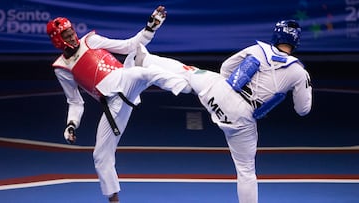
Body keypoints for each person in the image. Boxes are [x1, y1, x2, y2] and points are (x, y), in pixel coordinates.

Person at [135, 19, 312, 203]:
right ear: (296, 42)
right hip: (242, 117)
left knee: (188, 73)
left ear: (276, 34)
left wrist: (231, 88)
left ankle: (145, 61)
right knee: (246, 171)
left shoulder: (258, 49)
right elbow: (303, 109)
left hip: (220, 92)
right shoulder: (299, 72)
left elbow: (226, 68)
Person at [46, 6, 192, 203]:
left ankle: (189, 83)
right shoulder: (62, 68)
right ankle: (114, 199)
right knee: (100, 155)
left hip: (125, 78)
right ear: (58, 40)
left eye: (72, 32)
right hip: (113, 106)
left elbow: (128, 45)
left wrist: (150, 28)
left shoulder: (91, 41)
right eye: (67, 35)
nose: (72, 37)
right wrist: (72, 124)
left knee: (143, 67)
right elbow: (74, 101)